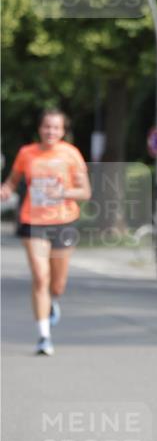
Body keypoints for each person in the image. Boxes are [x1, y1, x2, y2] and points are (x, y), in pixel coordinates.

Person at [0, 108, 91, 356]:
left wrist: (63, 193)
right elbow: (12, 180)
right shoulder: (26, 154)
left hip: (64, 221)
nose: (51, 131)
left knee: (57, 285)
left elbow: (85, 192)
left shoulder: (71, 154)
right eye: (46, 127)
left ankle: (52, 304)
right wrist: (5, 189)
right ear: (39, 129)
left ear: (63, 131)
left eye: (56, 128)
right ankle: (44, 336)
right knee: (41, 278)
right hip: (33, 221)